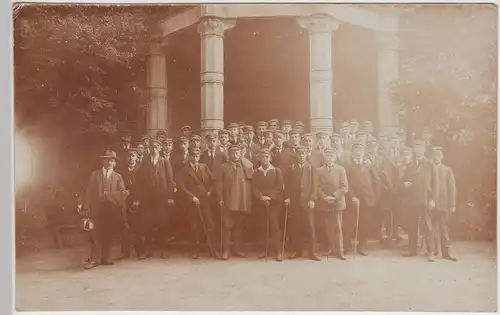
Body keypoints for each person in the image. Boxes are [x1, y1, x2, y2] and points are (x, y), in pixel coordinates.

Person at [82, 150, 127, 269]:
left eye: (112, 160)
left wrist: (111, 195)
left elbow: (123, 192)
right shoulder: (94, 175)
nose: (109, 162)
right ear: (102, 161)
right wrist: (86, 208)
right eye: (107, 160)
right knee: (96, 234)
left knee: (109, 233)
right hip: (97, 209)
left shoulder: (118, 177)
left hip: (111, 210)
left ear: (115, 163)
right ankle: (95, 259)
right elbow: (88, 192)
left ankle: (106, 257)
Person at [177, 147, 219, 259]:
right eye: (193, 156)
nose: (195, 158)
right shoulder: (184, 170)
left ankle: (213, 249)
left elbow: (213, 179)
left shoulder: (204, 167)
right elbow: (181, 186)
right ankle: (195, 250)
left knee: (209, 223)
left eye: (197, 156)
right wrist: (192, 196)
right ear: (189, 157)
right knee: (194, 225)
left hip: (204, 198)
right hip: (193, 200)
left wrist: (210, 190)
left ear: (199, 156)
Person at [137, 139, 175, 260]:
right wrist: (140, 198)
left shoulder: (164, 162)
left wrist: (169, 197)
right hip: (148, 198)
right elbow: (140, 182)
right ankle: (147, 251)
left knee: (162, 223)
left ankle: (164, 250)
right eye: (152, 147)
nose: (154, 149)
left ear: (160, 149)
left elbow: (170, 181)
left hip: (161, 197)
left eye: (156, 147)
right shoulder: (145, 162)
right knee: (147, 223)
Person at [401, 139, 438, 262]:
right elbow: (404, 180)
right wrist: (405, 184)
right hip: (412, 200)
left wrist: (433, 199)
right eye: (416, 148)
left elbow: (435, 183)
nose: (418, 150)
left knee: (428, 226)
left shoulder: (430, 164)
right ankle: (413, 250)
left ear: (424, 150)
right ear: (413, 150)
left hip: (425, 199)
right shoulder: (410, 165)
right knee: (412, 226)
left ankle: (430, 252)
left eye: (420, 148)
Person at [216, 145, 254, 260]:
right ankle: (225, 250)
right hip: (228, 201)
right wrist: (220, 198)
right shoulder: (223, 167)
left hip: (241, 202)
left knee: (239, 227)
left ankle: (237, 249)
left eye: (237, 152)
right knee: (227, 227)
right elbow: (219, 185)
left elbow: (251, 174)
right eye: (232, 152)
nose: (235, 155)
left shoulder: (245, 166)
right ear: (228, 154)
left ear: (241, 153)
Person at [344, 142, 381, 256]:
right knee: (349, 224)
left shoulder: (368, 165)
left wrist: (374, 196)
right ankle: (347, 246)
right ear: (352, 152)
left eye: (360, 150)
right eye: (356, 149)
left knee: (364, 224)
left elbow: (377, 181)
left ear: (363, 152)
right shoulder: (348, 165)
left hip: (367, 199)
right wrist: (352, 196)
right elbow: (346, 183)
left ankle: (362, 247)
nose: (358, 152)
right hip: (353, 199)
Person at [284, 146, 321, 261]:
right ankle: (298, 251)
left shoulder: (311, 168)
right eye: (299, 154)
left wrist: (312, 199)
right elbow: (288, 185)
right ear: (296, 155)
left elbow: (315, 185)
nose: (301, 156)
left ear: (306, 155)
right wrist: (288, 197)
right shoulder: (292, 168)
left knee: (310, 227)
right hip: (295, 202)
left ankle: (312, 252)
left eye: (303, 154)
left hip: (307, 202)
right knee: (296, 228)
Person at [315, 147, 349, 260]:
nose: (329, 158)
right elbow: (317, 187)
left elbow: (345, 186)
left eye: (331, 156)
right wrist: (324, 197)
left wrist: (334, 196)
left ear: (335, 158)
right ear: (324, 158)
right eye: (327, 156)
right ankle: (330, 247)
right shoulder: (319, 170)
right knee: (328, 226)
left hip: (337, 202)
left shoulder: (341, 169)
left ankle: (340, 251)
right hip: (325, 202)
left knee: (338, 227)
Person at [253, 148, 285, 261]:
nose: (265, 159)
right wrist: (261, 196)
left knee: (274, 226)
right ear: (260, 159)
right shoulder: (257, 171)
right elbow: (254, 187)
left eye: (267, 157)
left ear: (270, 158)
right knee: (262, 226)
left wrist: (270, 197)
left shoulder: (276, 171)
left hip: (274, 203)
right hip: (261, 202)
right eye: (263, 157)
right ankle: (265, 250)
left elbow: (279, 187)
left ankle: (278, 251)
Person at [430, 147, 458, 261]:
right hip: (431, 204)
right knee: (431, 229)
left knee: (444, 229)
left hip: (443, 204)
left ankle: (446, 253)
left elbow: (452, 188)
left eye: (438, 156)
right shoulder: (429, 170)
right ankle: (433, 252)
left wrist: (452, 204)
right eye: (434, 156)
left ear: (442, 157)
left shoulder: (447, 170)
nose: (436, 158)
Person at [116, 148, 143, 260]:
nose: (131, 158)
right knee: (124, 226)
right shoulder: (121, 171)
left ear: (137, 157)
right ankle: (125, 251)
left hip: (137, 201)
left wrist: (138, 200)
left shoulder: (141, 170)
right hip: (124, 201)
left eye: (133, 155)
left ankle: (140, 250)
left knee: (138, 227)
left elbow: (143, 187)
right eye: (129, 156)